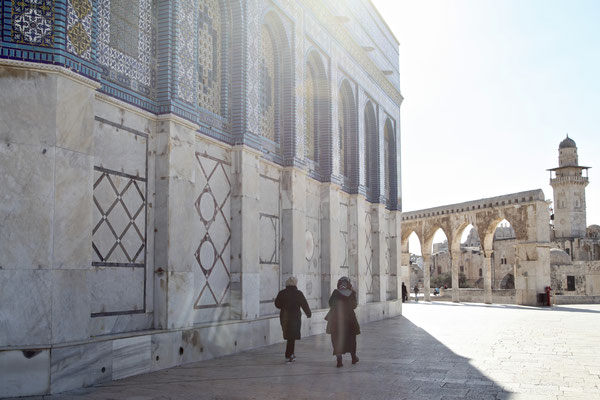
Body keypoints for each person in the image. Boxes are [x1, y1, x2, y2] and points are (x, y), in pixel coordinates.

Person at [274, 276, 312, 363]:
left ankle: (289, 354)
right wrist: (308, 313)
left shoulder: (282, 293)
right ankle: (290, 354)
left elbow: (277, 304)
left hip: (284, 317)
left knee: (289, 336)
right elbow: (304, 304)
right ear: (295, 283)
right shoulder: (298, 293)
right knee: (292, 336)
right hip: (295, 318)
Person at [326, 277, 360, 368]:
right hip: (350, 321)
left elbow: (330, 303)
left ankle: (339, 361)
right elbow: (354, 306)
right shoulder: (352, 293)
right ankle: (353, 357)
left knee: (336, 340)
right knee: (352, 340)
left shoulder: (335, 293)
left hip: (336, 321)